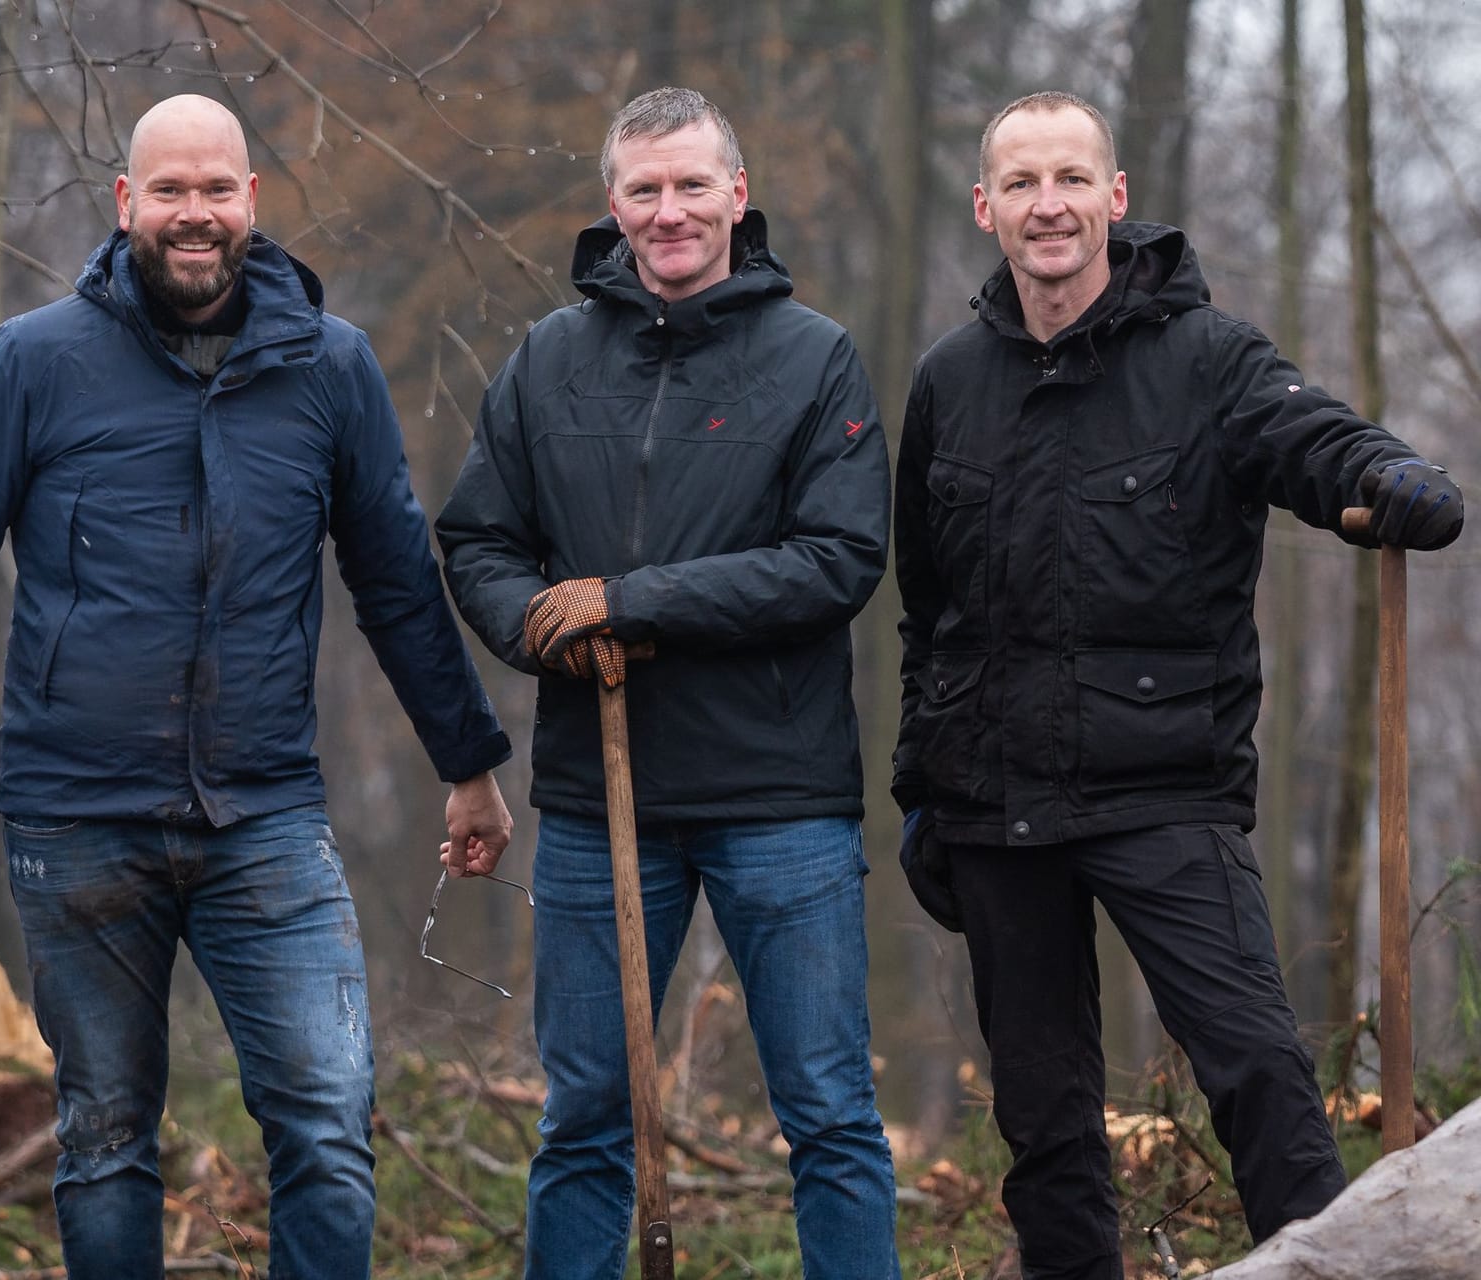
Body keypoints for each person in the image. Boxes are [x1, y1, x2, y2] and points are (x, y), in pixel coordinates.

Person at [0, 94, 514, 1279]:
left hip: (264, 817)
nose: (195, 214)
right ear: (126, 202)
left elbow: (395, 580)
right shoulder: (33, 362)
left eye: (216, 190)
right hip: (73, 821)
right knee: (104, 1137)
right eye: (169, 191)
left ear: (252, 203)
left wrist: (470, 763)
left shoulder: (331, 368)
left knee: (330, 1128)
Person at [892, 90, 1465, 1279]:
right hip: (995, 802)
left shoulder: (1208, 359)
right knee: (1043, 1125)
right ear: (986, 205)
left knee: (1256, 1069)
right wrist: (920, 787)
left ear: (1115, 196)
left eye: (1071, 179)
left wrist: (1390, 472)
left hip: (1164, 790)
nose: (1048, 205)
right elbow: (926, 608)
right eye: (1022, 182)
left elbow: (1316, 444)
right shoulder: (949, 380)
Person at [437, 86, 900, 1280]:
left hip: (780, 794)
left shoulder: (815, 357)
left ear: (739, 197)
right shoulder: (551, 359)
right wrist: (539, 629)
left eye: (693, 184)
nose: (670, 209)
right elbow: (477, 539)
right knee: (584, 1113)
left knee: (829, 1111)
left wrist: (632, 604)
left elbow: (837, 559)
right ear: (614, 205)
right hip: (601, 801)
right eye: (644, 188)